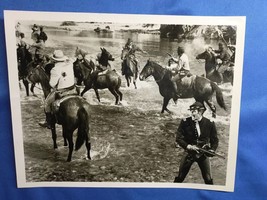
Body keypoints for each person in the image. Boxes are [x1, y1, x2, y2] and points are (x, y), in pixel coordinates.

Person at [174, 102, 219, 184]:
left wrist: (212, 150)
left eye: (194, 111)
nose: (192, 113)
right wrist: (188, 146)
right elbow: (179, 138)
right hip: (189, 154)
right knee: (180, 177)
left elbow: (215, 140)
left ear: (201, 112)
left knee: (208, 179)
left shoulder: (210, 123)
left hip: (203, 154)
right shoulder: (184, 122)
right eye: (191, 111)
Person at [39, 50, 77, 128]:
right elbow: (73, 59)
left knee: (46, 104)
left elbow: (52, 84)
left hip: (62, 91)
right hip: (73, 89)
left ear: (54, 60)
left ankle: (49, 123)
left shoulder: (55, 69)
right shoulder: (70, 64)